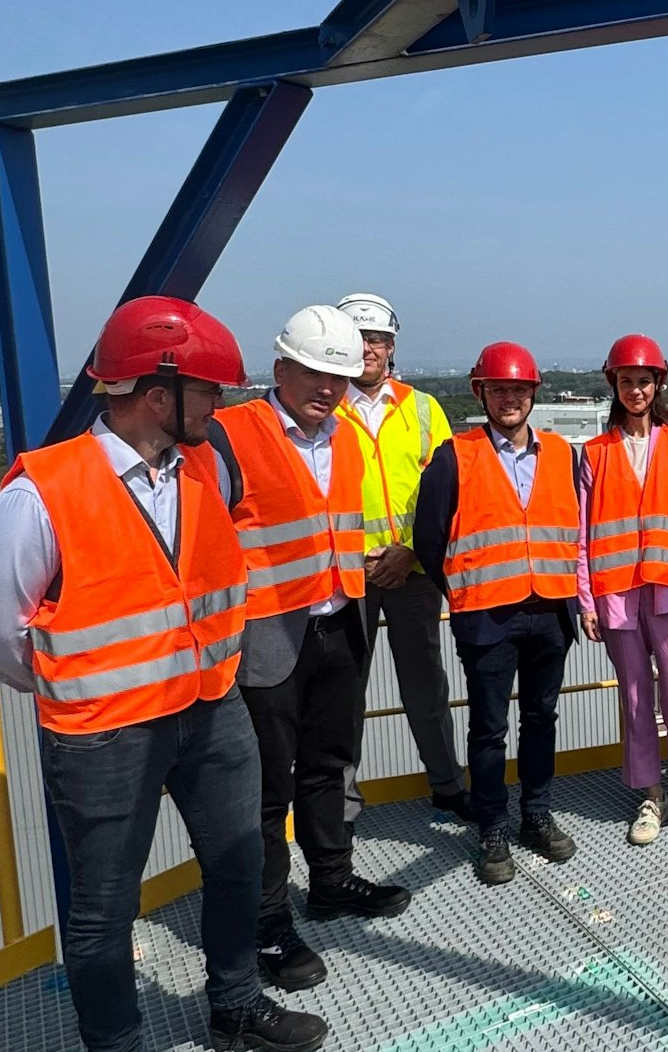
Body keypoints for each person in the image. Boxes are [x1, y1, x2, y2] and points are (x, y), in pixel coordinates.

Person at [0, 296, 326, 1052]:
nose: (221, 406)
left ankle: (236, 1006)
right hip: (104, 735)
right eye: (211, 393)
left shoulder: (205, 468)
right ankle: (117, 1041)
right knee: (103, 908)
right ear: (158, 396)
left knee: (236, 863)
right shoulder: (42, 493)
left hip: (210, 709)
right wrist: (83, 680)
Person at [218, 304, 410, 993]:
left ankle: (329, 882)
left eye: (336, 373)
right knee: (267, 792)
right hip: (266, 635)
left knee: (329, 765)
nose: (326, 388)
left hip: (339, 623)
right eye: (311, 373)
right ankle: (268, 923)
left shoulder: (349, 439)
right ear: (279, 370)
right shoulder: (230, 436)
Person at [413, 342, 581, 886]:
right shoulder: (453, 456)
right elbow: (430, 540)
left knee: (541, 719)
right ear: (480, 392)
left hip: (550, 611)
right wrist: (464, 590)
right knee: (488, 730)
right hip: (488, 617)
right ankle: (492, 826)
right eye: (499, 389)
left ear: (534, 394)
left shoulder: (560, 453)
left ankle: (536, 812)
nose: (510, 399)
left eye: (519, 389)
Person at [332, 292, 467, 826]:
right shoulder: (323, 408)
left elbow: (447, 492)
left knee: (425, 684)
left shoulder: (423, 409)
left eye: (377, 339)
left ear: (391, 346)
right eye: (358, 338)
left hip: (412, 571)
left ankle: (447, 785)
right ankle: (339, 804)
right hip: (348, 574)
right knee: (343, 693)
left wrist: (413, 551)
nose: (368, 349)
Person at [577, 333, 668, 845]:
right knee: (636, 700)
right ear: (614, 384)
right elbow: (583, 532)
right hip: (616, 594)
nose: (636, 390)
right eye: (627, 381)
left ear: (659, 384)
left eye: (644, 381)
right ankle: (650, 796)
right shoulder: (594, 453)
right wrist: (586, 601)